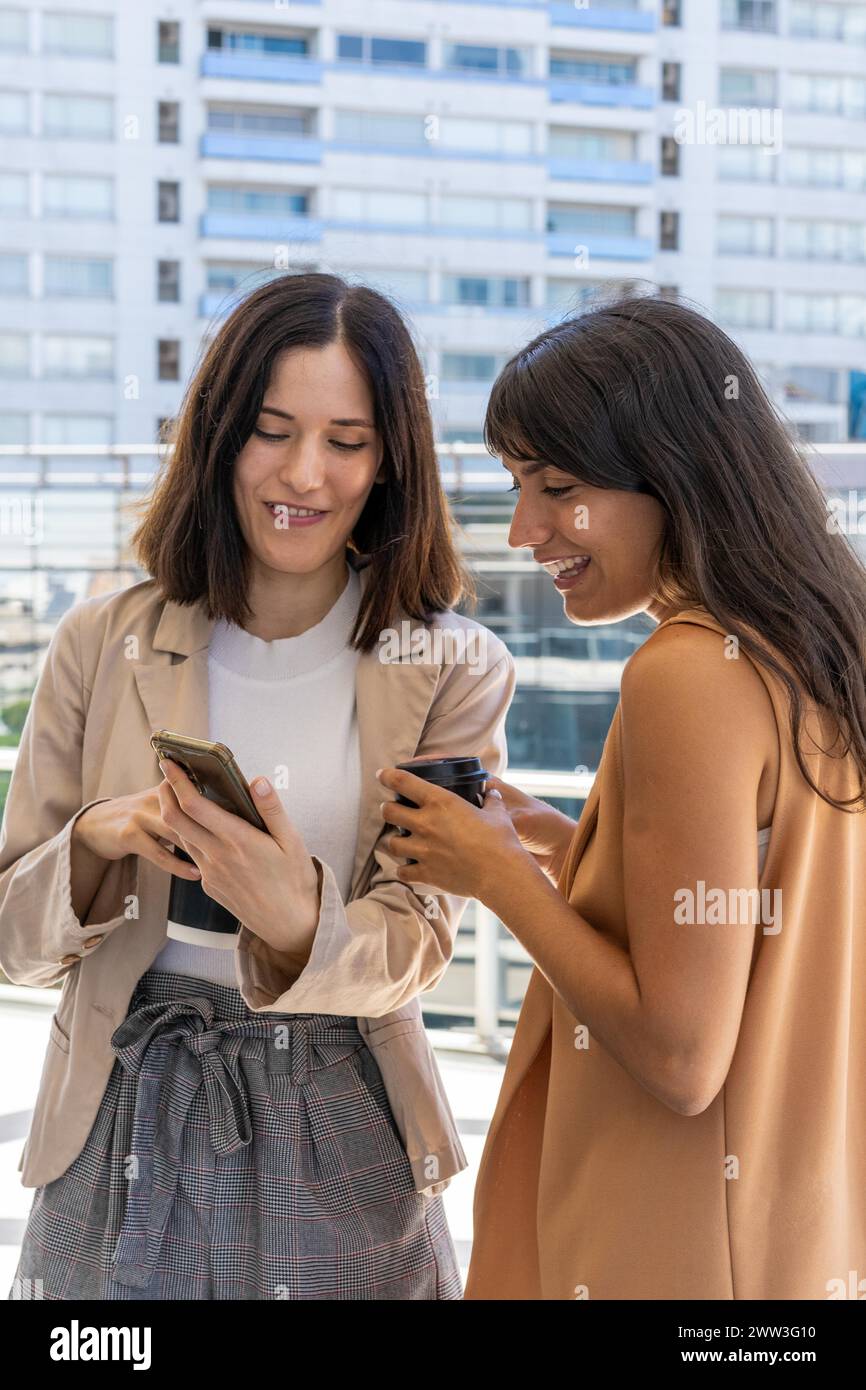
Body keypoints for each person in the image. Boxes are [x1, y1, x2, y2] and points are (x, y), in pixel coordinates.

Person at [0, 271, 515, 1300]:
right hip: (123, 1094)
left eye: (346, 440)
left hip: (351, 1111)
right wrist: (99, 838)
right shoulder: (102, 642)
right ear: (219, 435)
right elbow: (10, 935)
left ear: (389, 463)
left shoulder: (451, 664)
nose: (304, 473)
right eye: (271, 430)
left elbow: (419, 940)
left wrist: (297, 920)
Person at [376, 294, 866, 1299]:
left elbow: (680, 1054)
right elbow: (760, 909)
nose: (523, 530)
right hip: (785, 1232)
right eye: (518, 486)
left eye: (557, 486)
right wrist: (570, 845)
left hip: (663, 1239)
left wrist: (498, 876)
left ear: (675, 472)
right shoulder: (811, 642)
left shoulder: (684, 673)